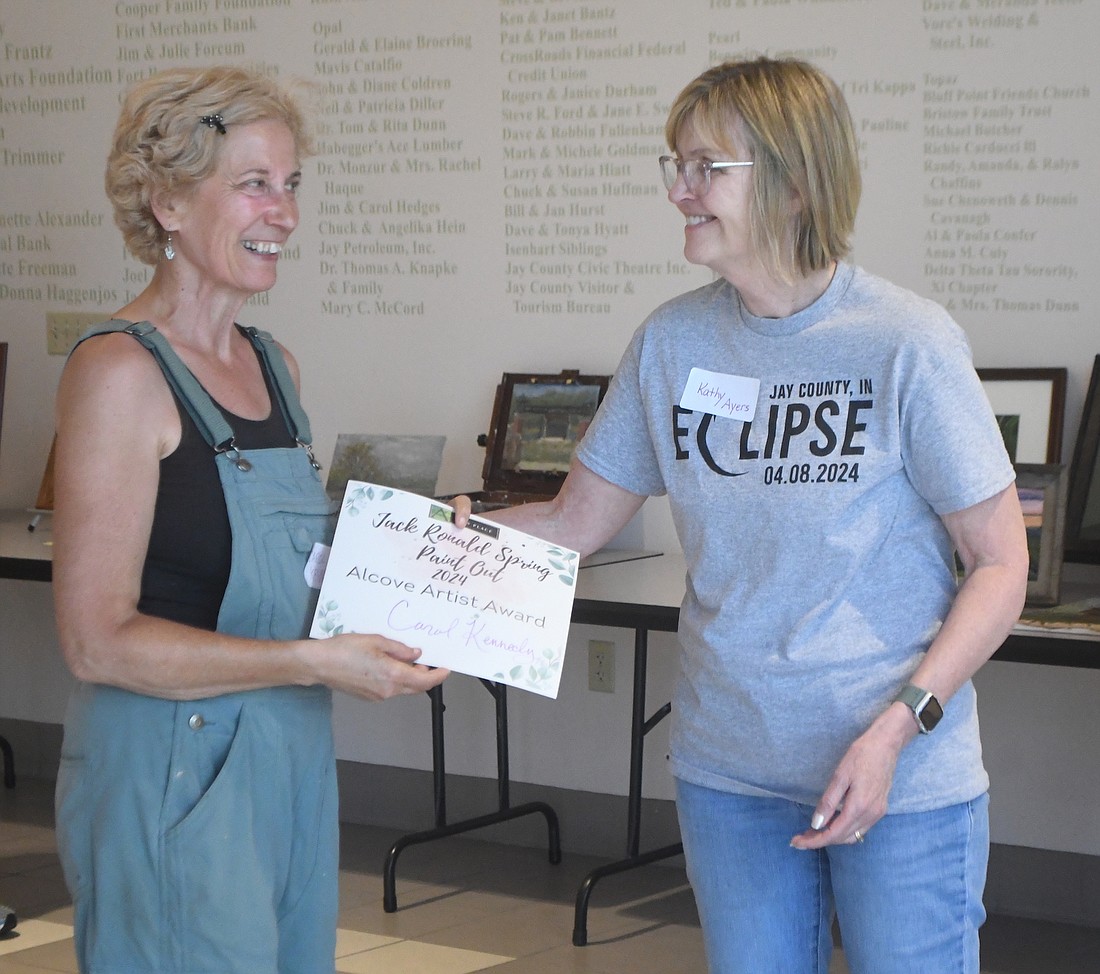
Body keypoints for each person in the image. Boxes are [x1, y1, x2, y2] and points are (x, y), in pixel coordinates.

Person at [488, 57, 1029, 974]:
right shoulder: (672, 341)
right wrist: (434, 552)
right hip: (729, 775)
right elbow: (573, 525)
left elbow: (999, 565)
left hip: (897, 777)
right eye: (676, 165)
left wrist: (897, 728)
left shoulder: (906, 341)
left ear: (792, 180)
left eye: (708, 169)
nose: (681, 192)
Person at [51, 66, 452, 974]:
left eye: (292, 184)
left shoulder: (276, 367)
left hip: (285, 758)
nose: (285, 213)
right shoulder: (119, 372)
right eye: (253, 185)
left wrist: (433, 559)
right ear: (166, 203)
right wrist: (312, 663)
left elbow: (292, 574)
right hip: (170, 771)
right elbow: (96, 644)